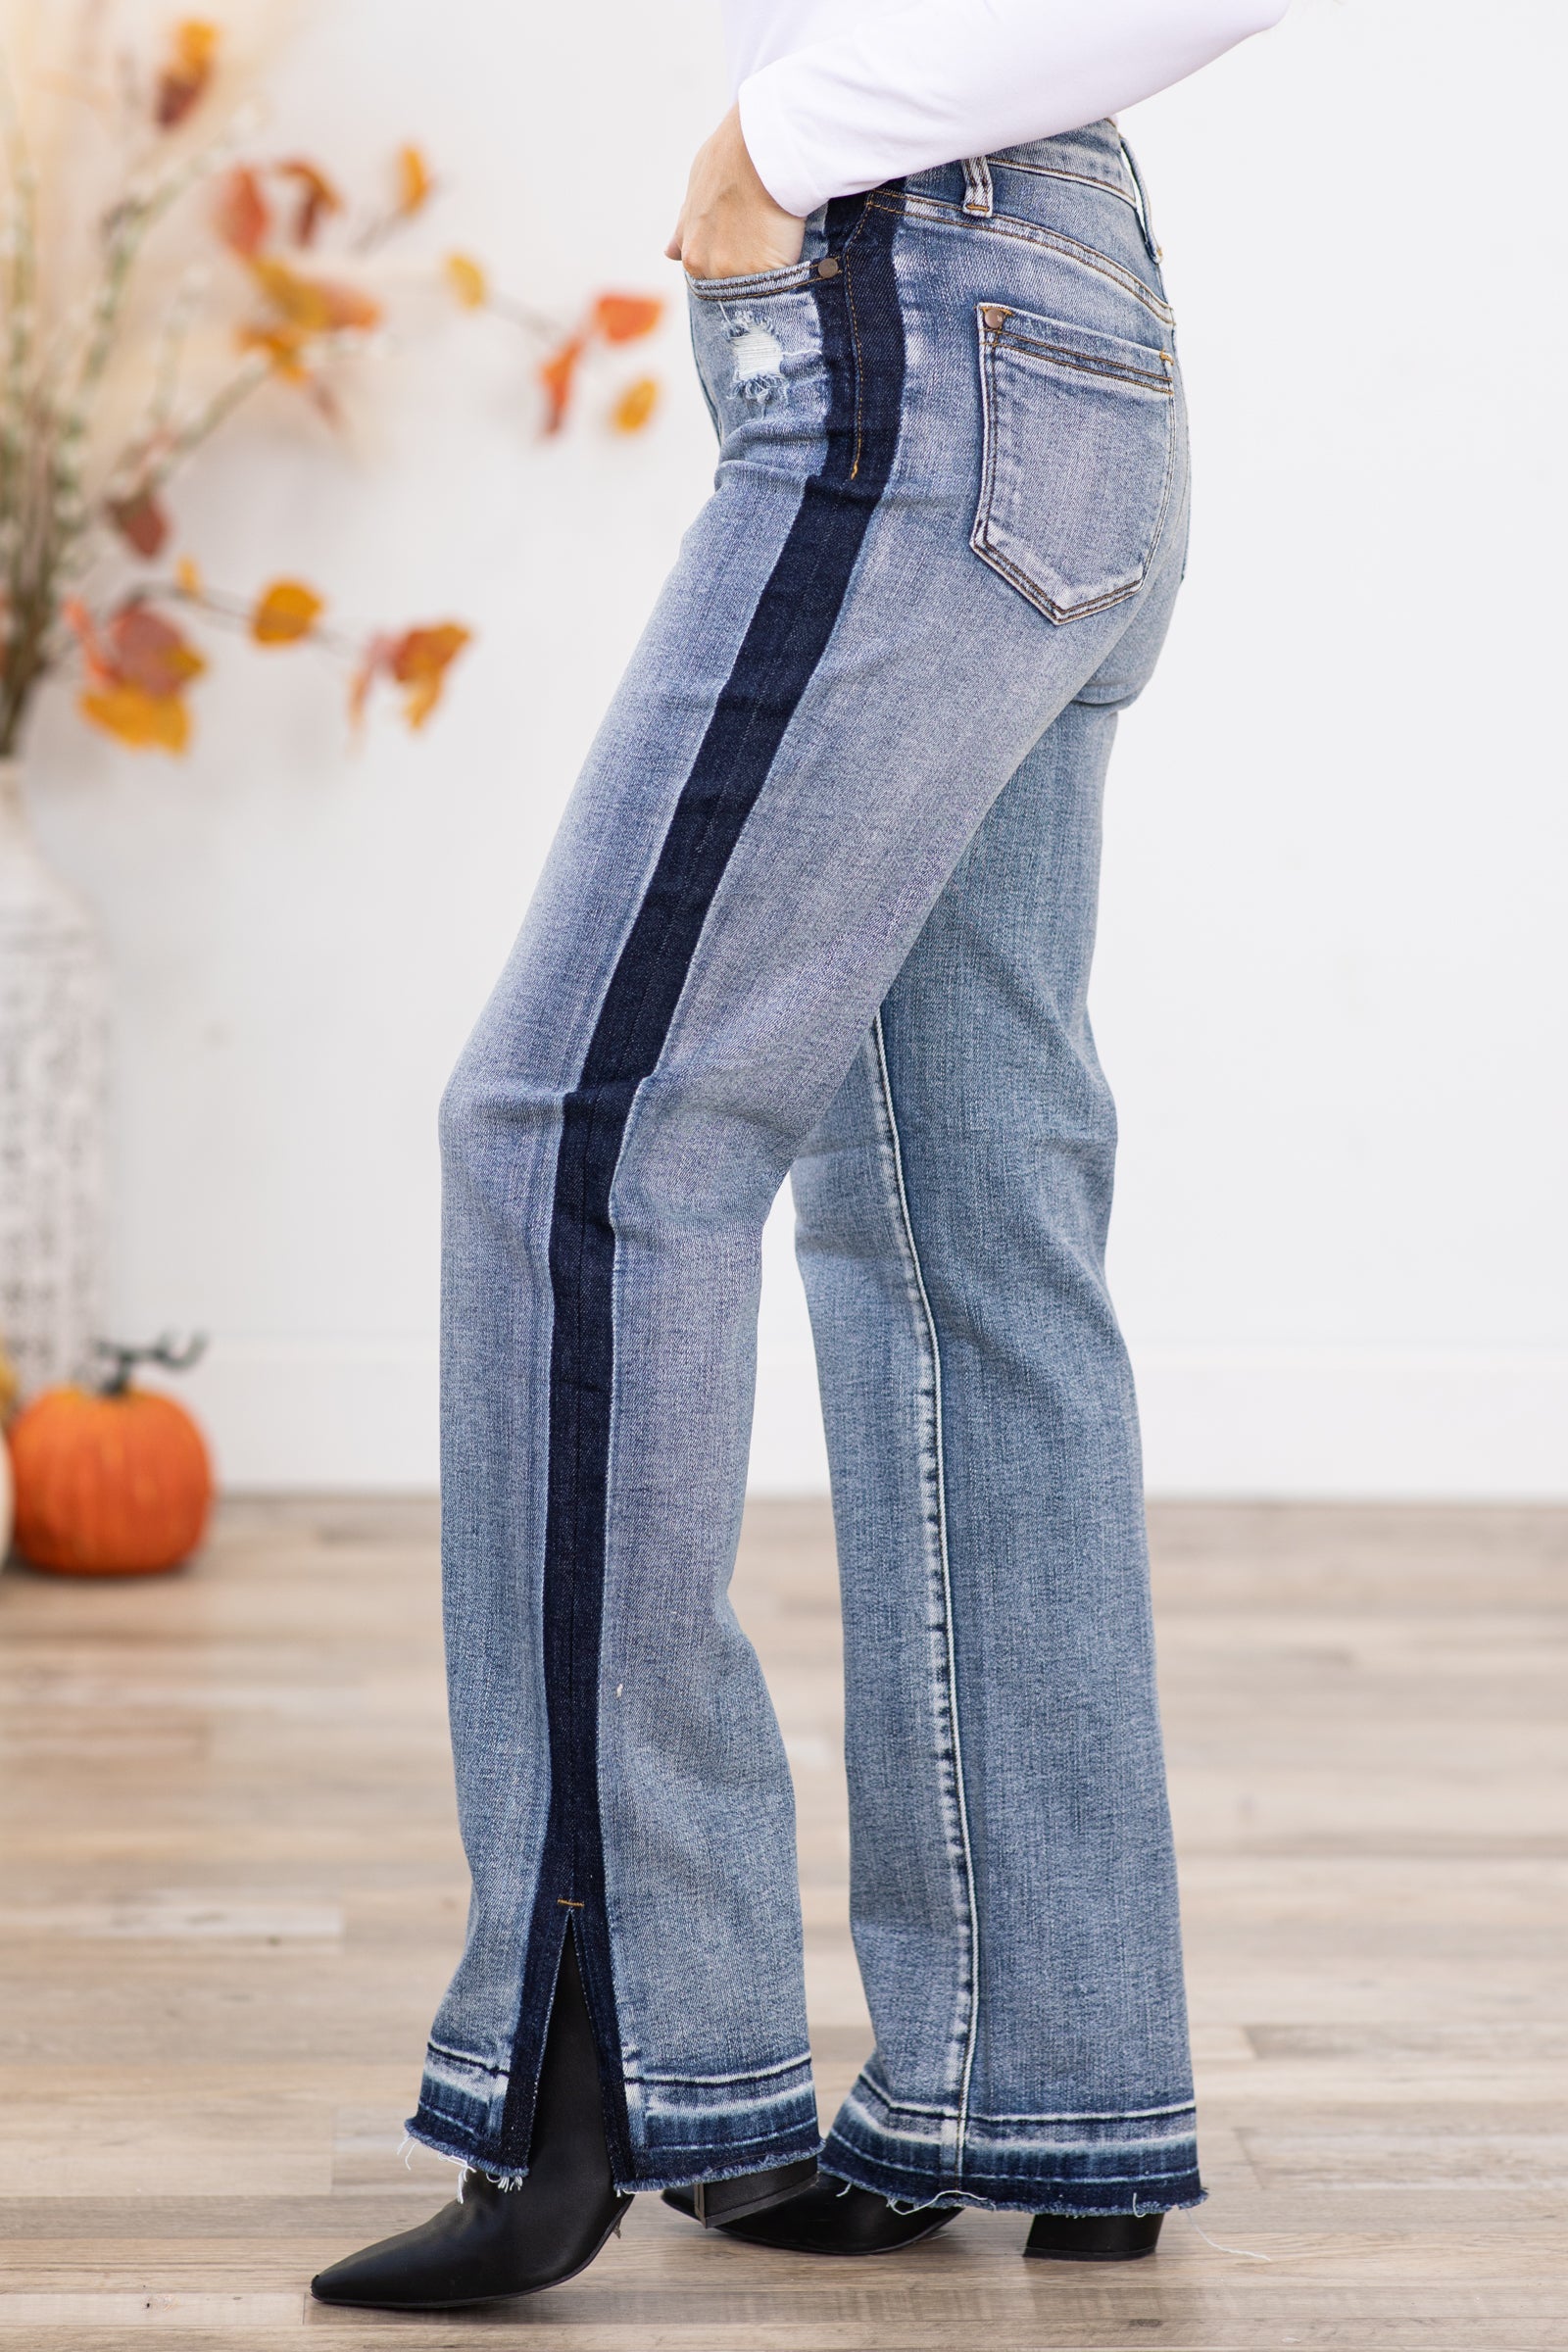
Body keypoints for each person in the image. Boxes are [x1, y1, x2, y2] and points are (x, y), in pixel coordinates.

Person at [313, 0, 1288, 2311]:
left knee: (575, 1137)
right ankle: (1041, 2081)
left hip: (924, 320)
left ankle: (602, 2054)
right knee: (961, 1225)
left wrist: (787, 126)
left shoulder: (859, 164)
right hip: (1046, 338)